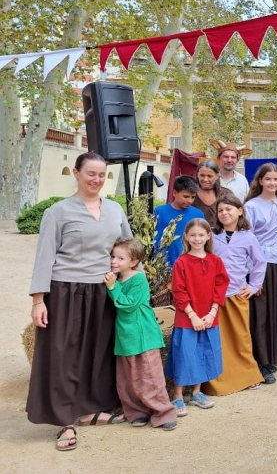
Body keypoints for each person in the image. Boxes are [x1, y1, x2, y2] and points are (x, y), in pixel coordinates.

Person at [27, 152, 133, 451]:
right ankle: (64, 420)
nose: (97, 180)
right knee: (64, 357)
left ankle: (88, 409)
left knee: (95, 354)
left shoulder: (114, 210)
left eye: (102, 175)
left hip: (103, 292)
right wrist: (39, 301)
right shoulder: (58, 212)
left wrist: (129, 284)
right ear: (76, 173)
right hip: (66, 291)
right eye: (91, 174)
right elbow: (44, 257)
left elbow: (127, 249)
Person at [103, 238, 177, 431]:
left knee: (150, 375)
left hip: (143, 334)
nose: (114, 261)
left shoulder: (138, 279)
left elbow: (128, 305)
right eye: (113, 256)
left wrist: (112, 288)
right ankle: (136, 412)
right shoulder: (117, 278)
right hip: (125, 335)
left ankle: (163, 413)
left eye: (120, 258)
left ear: (134, 262)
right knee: (127, 377)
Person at [165, 218, 228, 418]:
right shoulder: (181, 263)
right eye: (193, 235)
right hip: (187, 318)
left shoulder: (215, 261)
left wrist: (211, 313)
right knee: (185, 353)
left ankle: (196, 392)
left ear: (208, 236)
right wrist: (192, 316)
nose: (197, 239)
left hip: (209, 317)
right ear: (186, 237)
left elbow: (220, 287)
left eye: (201, 235)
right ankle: (177, 395)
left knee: (203, 352)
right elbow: (179, 291)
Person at [205, 195, 267, 395]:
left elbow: (260, 262)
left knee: (241, 337)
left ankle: (248, 375)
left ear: (240, 211)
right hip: (214, 296)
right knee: (219, 339)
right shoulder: (212, 236)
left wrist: (254, 285)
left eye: (229, 209)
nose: (224, 213)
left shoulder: (248, 237)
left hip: (236, 294)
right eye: (221, 210)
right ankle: (218, 380)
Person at [244, 163, 277, 385]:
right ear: (260, 181)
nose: (272, 183)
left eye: (276, 179)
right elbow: (248, 239)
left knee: (275, 311)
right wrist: (254, 275)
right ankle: (261, 362)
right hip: (260, 264)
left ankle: (273, 356)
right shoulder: (251, 206)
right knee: (260, 315)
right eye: (268, 179)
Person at [155, 175, 205, 267]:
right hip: (162, 265)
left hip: (189, 265)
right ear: (174, 193)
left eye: (193, 197)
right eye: (186, 196)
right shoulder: (159, 212)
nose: (190, 200)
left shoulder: (198, 214)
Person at [193, 159, 236, 225]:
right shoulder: (191, 195)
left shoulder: (226, 194)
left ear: (217, 176)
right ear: (197, 175)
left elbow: (234, 217)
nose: (205, 179)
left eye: (209, 176)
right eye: (202, 175)